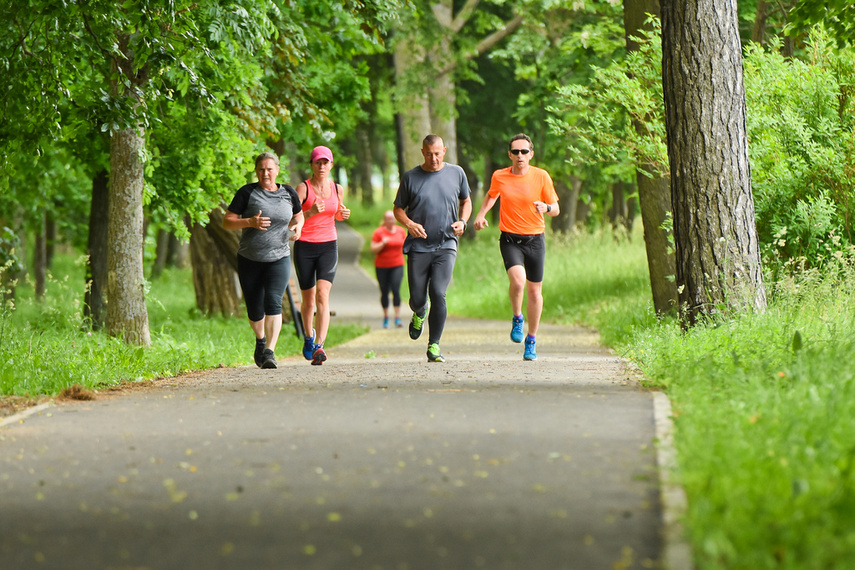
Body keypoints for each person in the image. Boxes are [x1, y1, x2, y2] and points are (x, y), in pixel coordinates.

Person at [473, 133, 559, 361]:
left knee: (534, 291)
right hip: (510, 239)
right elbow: (492, 196)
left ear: (531, 154)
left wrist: (546, 208)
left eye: (524, 151)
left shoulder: (541, 176)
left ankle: (531, 340)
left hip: (535, 240)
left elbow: (556, 209)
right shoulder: (500, 176)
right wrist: (481, 215)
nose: (520, 155)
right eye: (515, 152)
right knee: (519, 282)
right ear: (510, 155)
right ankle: (517, 317)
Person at [394, 134, 472, 363]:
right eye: (429, 154)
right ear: (422, 153)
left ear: (444, 151)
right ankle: (419, 312)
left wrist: (463, 221)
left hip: (446, 244)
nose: (434, 159)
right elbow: (398, 209)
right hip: (418, 246)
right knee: (417, 299)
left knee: (438, 292)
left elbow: (466, 201)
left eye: (437, 154)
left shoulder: (457, 173)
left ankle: (434, 344)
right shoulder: (411, 177)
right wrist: (409, 224)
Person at [223, 151, 304, 369]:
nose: (265, 173)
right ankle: (260, 340)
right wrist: (249, 222)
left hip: (279, 257)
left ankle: (270, 351)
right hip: (250, 259)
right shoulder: (247, 192)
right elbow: (227, 221)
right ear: (256, 171)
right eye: (261, 169)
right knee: (254, 308)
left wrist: (298, 226)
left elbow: (299, 215)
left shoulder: (288, 192)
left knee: (274, 302)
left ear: (277, 170)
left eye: (269, 169)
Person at [294, 145, 351, 366]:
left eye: (325, 162)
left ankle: (319, 345)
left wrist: (342, 214)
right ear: (312, 164)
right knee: (308, 300)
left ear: (331, 165)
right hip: (305, 246)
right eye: (318, 162)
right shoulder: (303, 189)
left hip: (328, 245)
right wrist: (309, 212)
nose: (321, 166)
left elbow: (336, 214)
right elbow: (291, 220)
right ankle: (308, 337)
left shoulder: (337, 188)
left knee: (322, 295)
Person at [371, 210, 406, 329]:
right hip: (382, 266)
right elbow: (373, 249)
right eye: (388, 219)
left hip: (397, 264)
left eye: (392, 218)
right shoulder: (379, 232)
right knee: (384, 291)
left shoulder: (401, 231)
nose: (391, 221)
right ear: (385, 220)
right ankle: (386, 317)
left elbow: (406, 245)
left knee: (396, 289)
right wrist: (382, 243)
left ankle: (397, 317)